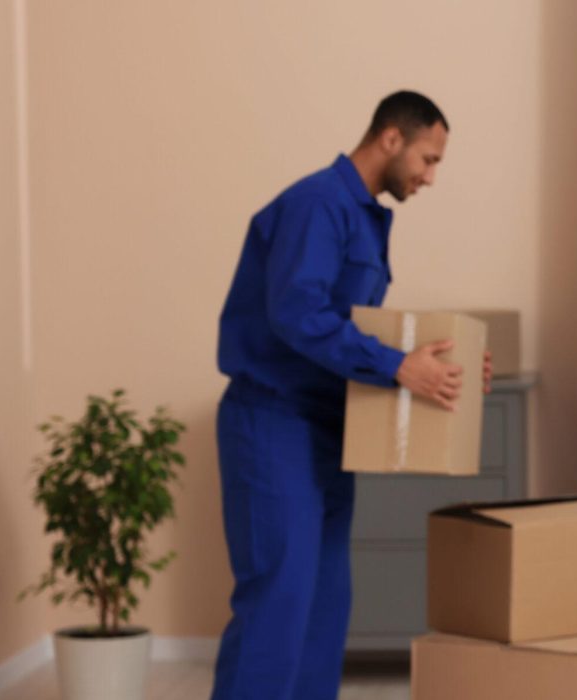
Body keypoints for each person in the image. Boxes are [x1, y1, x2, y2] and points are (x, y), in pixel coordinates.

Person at [212, 90, 490, 700]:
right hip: (272, 425)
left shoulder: (363, 215)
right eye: (428, 158)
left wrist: (452, 368)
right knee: (277, 604)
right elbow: (298, 313)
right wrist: (396, 367)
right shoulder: (318, 204)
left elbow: (355, 328)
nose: (430, 177)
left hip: (327, 428)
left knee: (323, 606)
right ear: (391, 137)